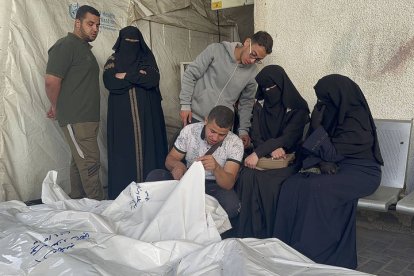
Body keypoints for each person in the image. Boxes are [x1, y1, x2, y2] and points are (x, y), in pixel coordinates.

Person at [273, 74, 383, 269]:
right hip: (338, 166)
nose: (320, 104)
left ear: (338, 97)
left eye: (324, 99)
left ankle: (317, 253)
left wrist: (316, 127)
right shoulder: (333, 112)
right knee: (293, 184)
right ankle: (286, 246)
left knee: (317, 187)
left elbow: (332, 153)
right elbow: (312, 148)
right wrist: (321, 161)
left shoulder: (356, 119)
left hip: (362, 172)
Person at [236, 65, 309, 238]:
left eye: (272, 88)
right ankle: (249, 233)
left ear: (281, 85)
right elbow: (256, 133)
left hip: (288, 157)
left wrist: (263, 152)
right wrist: (265, 151)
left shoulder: (298, 107)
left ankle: (272, 234)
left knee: (271, 183)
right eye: (264, 89)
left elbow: (289, 137)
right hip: (264, 155)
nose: (268, 92)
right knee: (246, 176)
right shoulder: (261, 105)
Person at [45, 5, 104, 200]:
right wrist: (55, 106)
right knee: (90, 163)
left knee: (80, 162)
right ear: (77, 23)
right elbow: (51, 80)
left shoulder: (83, 49)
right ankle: (99, 208)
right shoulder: (66, 45)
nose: (95, 28)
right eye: (90, 24)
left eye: (97, 25)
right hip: (77, 119)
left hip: (88, 120)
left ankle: (78, 202)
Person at [103, 26, 168, 200]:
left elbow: (152, 79)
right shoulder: (113, 59)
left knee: (150, 154)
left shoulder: (147, 58)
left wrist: (124, 75)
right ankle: (125, 199)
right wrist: (137, 76)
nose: (131, 45)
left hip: (149, 120)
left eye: (134, 42)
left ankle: (152, 198)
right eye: (127, 42)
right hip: (122, 122)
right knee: (125, 159)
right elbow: (109, 81)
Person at [146, 105, 244, 220]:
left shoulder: (235, 143)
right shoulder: (190, 131)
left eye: (222, 134)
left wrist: (217, 168)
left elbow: (228, 184)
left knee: (232, 207)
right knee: (156, 176)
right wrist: (178, 166)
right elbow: (170, 159)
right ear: (206, 120)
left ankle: (196, 224)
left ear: (229, 129)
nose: (215, 137)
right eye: (212, 131)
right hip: (187, 178)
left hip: (214, 185)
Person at [179, 31, 273, 148]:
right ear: (247, 42)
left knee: (213, 163)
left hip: (222, 128)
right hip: (195, 117)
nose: (253, 61)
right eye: (253, 54)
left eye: (258, 59)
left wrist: (243, 130)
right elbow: (190, 74)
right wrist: (185, 105)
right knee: (187, 159)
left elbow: (247, 102)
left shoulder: (253, 72)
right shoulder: (216, 50)